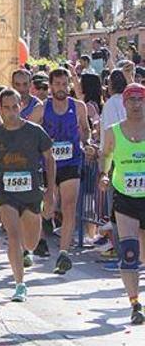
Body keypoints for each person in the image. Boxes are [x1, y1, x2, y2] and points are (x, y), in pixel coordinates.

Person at [0, 88, 56, 303]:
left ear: (21, 106)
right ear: (0, 109)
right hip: (7, 195)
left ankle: (28, 251)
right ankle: (19, 284)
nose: (11, 112)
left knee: (31, 242)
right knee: (13, 236)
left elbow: (50, 159)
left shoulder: (34, 131)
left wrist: (51, 191)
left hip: (32, 193)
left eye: (15, 107)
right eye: (6, 108)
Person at [28, 67, 93, 273]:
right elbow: (27, 130)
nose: (62, 88)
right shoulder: (42, 108)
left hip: (71, 163)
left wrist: (88, 143)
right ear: (50, 86)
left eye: (65, 84)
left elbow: (85, 130)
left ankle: (64, 253)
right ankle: (36, 238)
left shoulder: (78, 106)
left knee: (69, 205)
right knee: (48, 207)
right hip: (48, 165)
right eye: (57, 84)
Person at [98, 83, 145, 325]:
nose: (136, 104)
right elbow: (105, 155)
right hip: (125, 197)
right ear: (124, 103)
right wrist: (104, 174)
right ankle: (135, 304)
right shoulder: (113, 131)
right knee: (129, 251)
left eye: (140, 99)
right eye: (131, 100)